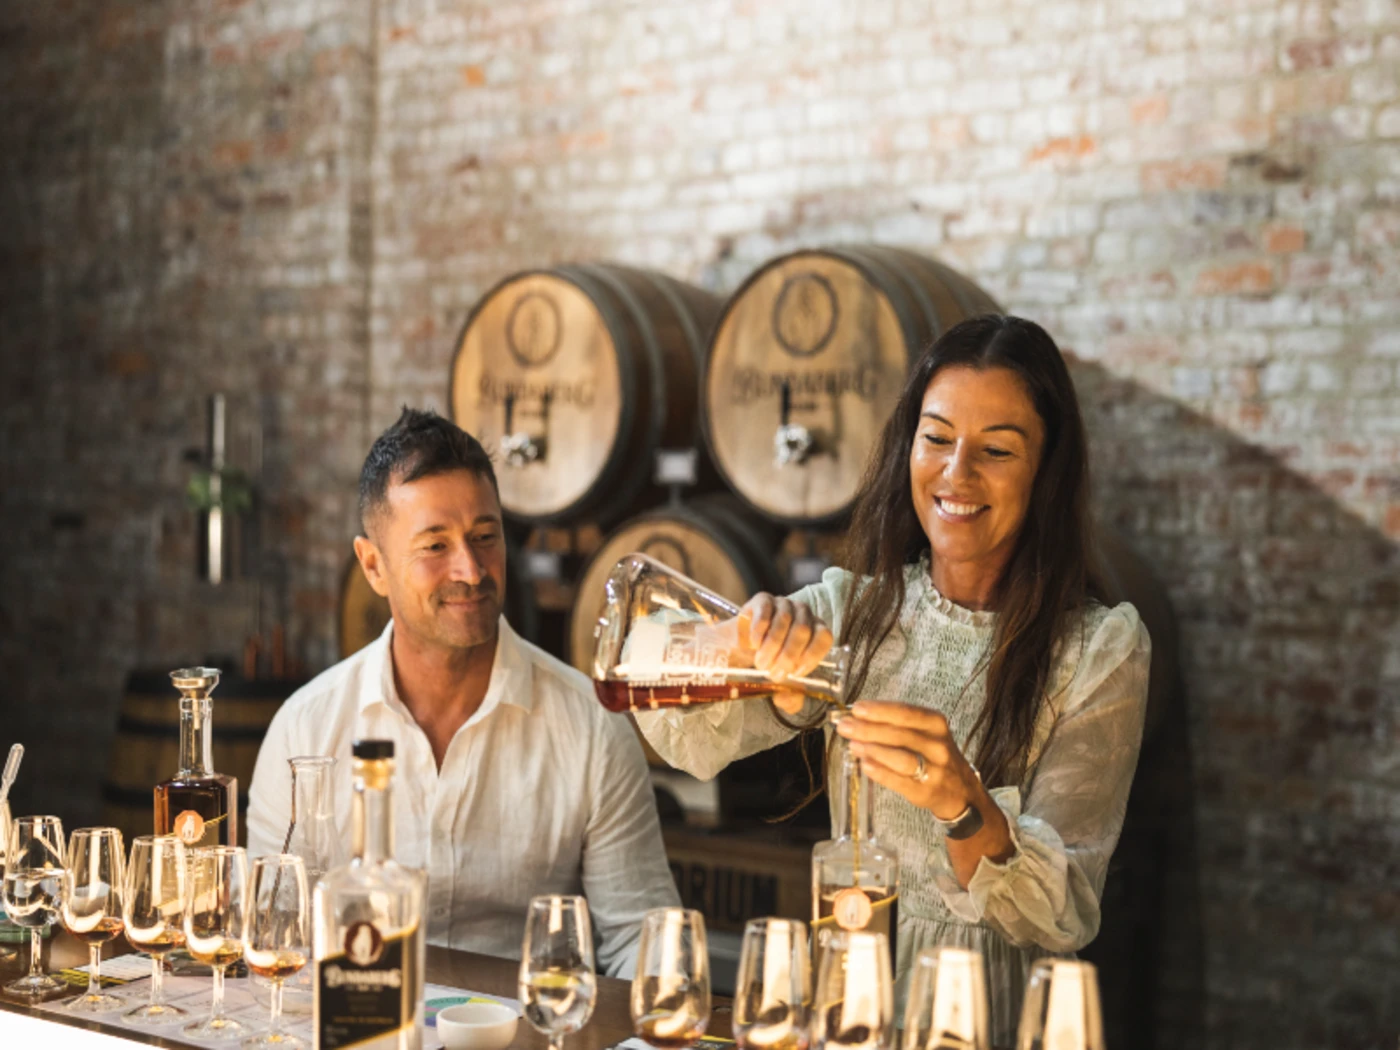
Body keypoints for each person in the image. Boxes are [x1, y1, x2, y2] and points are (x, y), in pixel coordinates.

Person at [637, 315, 1151, 1041]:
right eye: (936, 438)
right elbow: (663, 700)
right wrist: (742, 644)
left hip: (985, 1012)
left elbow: (1062, 910)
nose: (956, 473)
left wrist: (965, 805)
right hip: (849, 996)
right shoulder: (856, 609)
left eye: (996, 450)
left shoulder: (1099, 649)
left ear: (1048, 469)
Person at [248, 408, 680, 976]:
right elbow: (272, 931)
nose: (472, 570)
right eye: (435, 546)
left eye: (485, 537)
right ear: (374, 566)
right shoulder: (304, 728)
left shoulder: (592, 728)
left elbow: (640, 944)